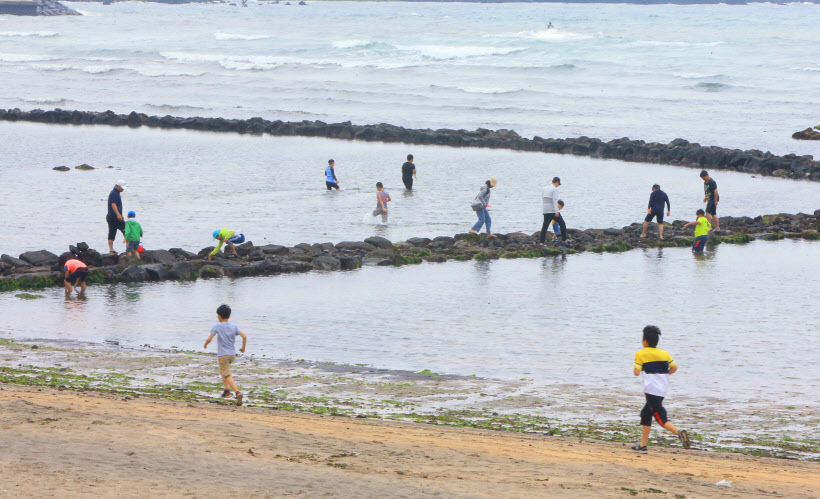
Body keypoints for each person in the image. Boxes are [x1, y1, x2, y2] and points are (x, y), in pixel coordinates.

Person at [631, 325, 691, 453]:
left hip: (651, 390)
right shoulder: (665, 354)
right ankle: (642, 446)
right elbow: (674, 368)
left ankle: (679, 432)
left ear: (644, 341)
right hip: (662, 389)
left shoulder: (640, 353)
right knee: (646, 414)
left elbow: (636, 372)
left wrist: (639, 367)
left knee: (660, 416)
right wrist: (663, 376)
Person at [203, 304, 247, 406]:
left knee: (227, 374)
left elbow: (210, 338)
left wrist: (205, 344)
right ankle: (226, 391)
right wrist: (243, 347)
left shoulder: (217, 326)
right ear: (229, 316)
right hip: (232, 354)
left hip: (223, 354)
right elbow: (244, 336)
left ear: (219, 316)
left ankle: (237, 392)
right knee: (223, 371)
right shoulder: (234, 326)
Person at [540, 177, 567, 246]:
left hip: (545, 210)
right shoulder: (555, 189)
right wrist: (557, 211)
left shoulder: (544, 188)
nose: (558, 185)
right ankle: (564, 241)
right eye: (558, 184)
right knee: (562, 224)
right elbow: (554, 201)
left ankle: (541, 242)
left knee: (544, 227)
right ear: (557, 182)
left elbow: (543, 199)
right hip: (552, 210)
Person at [106, 180, 126, 255]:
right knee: (126, 230)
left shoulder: (116, 192)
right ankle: (129, 249)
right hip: (115, 217)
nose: (123, 189)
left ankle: (111, 250)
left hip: (111, 216)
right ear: (118, 186)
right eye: (122, 188)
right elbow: (113, 205)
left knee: (112, 232)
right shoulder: (114, 193)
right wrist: (118, 214)